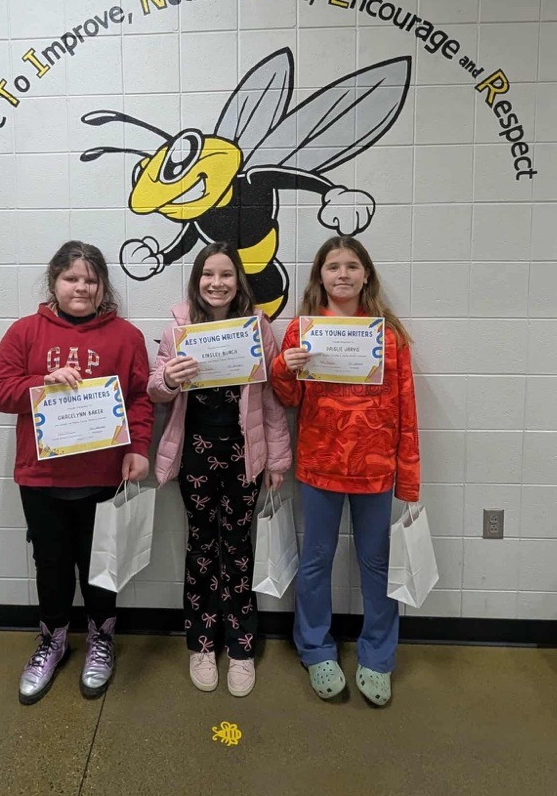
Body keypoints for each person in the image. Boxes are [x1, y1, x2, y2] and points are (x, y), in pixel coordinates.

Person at [0, 241, 153, 705]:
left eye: (91, 280)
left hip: (104, 475)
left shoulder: (127, 337)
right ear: (54, 282)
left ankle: (101, 639)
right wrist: (41, 383)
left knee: (101, 567)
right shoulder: (25, 332)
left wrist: (138, 448)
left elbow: (139, 398)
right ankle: (52, 640)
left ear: (102, 287)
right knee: (52, 566)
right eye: (71, 278)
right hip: (41, 478)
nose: (81, 287)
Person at [270, 236, 420, 706]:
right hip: (320, 466)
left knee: (376, 565)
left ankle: (378, 657)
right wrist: (284, 367)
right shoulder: (301, 330)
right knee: (316, 560)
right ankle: (315, 649)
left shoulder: (389, 336)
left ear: (366, 275)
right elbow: (289, 400)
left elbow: (406, 410)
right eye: (332, 266)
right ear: (319, 277)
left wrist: (409, 475)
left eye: (351, 266)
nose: (342, 274)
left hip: (375, 470)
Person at [148, 242, 291, 697]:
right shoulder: (178, 330)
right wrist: (170, 377)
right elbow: (155, 390)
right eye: (208, 274)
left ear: (238, 281)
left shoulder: (258, 328)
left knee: (238, 547)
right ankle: (202, 643)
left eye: (226, 274)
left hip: (243, 455)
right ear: (197, 279)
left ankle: (242, 646)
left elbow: (270, 401)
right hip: (195, 453)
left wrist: (278, 459)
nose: (217, 283)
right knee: (201, 546)